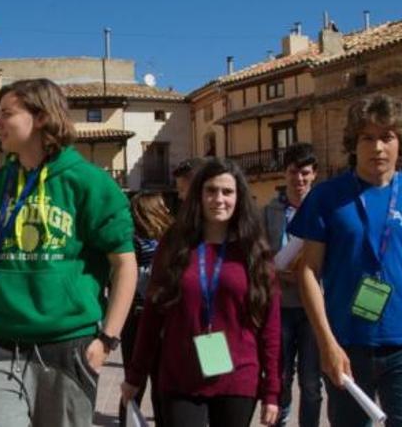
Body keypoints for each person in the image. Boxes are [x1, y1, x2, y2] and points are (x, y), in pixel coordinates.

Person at [0, 78, 138, 427]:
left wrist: (106, 340)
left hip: (67, 347)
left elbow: (124, 264)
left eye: (6, 113)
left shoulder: (89, 183)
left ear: (41, 117)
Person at [288, 94, 402, 427]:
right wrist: (326, 342)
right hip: (347, 344)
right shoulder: (326, 197)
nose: (377, 147)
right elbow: (307, 269)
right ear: (354, 143)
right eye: (368, 137)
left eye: (387, 136)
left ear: (399, 142)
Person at [123, 158, 281, 427]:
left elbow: (270, 325)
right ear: (198, 195)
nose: (219, 199)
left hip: (238, 376)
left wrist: (272, 391)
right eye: (211, 190)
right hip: (181, 374)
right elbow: (152, 315)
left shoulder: (253, 249)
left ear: (239, 197)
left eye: (227, 192)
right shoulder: (174, 244)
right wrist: (135, 376)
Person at [263, 143, 323, 427]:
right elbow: (259, 255)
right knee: (281, 375)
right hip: (280, 305)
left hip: (314, 308)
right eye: (293, 172)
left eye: (305, 173)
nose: (298, 179)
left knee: (311, 381)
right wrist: (275, 273)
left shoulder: (325, 210)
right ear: (284, 174)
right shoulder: (269, 212)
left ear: (314, 175)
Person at [118, 191, 171, 425]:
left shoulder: (169, 236)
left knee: (162, 383)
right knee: (134, 382)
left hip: (165, 318)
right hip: (138, 317)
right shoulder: (133, 240)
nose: (167, 210)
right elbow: (129, 278)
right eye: (162, 205)